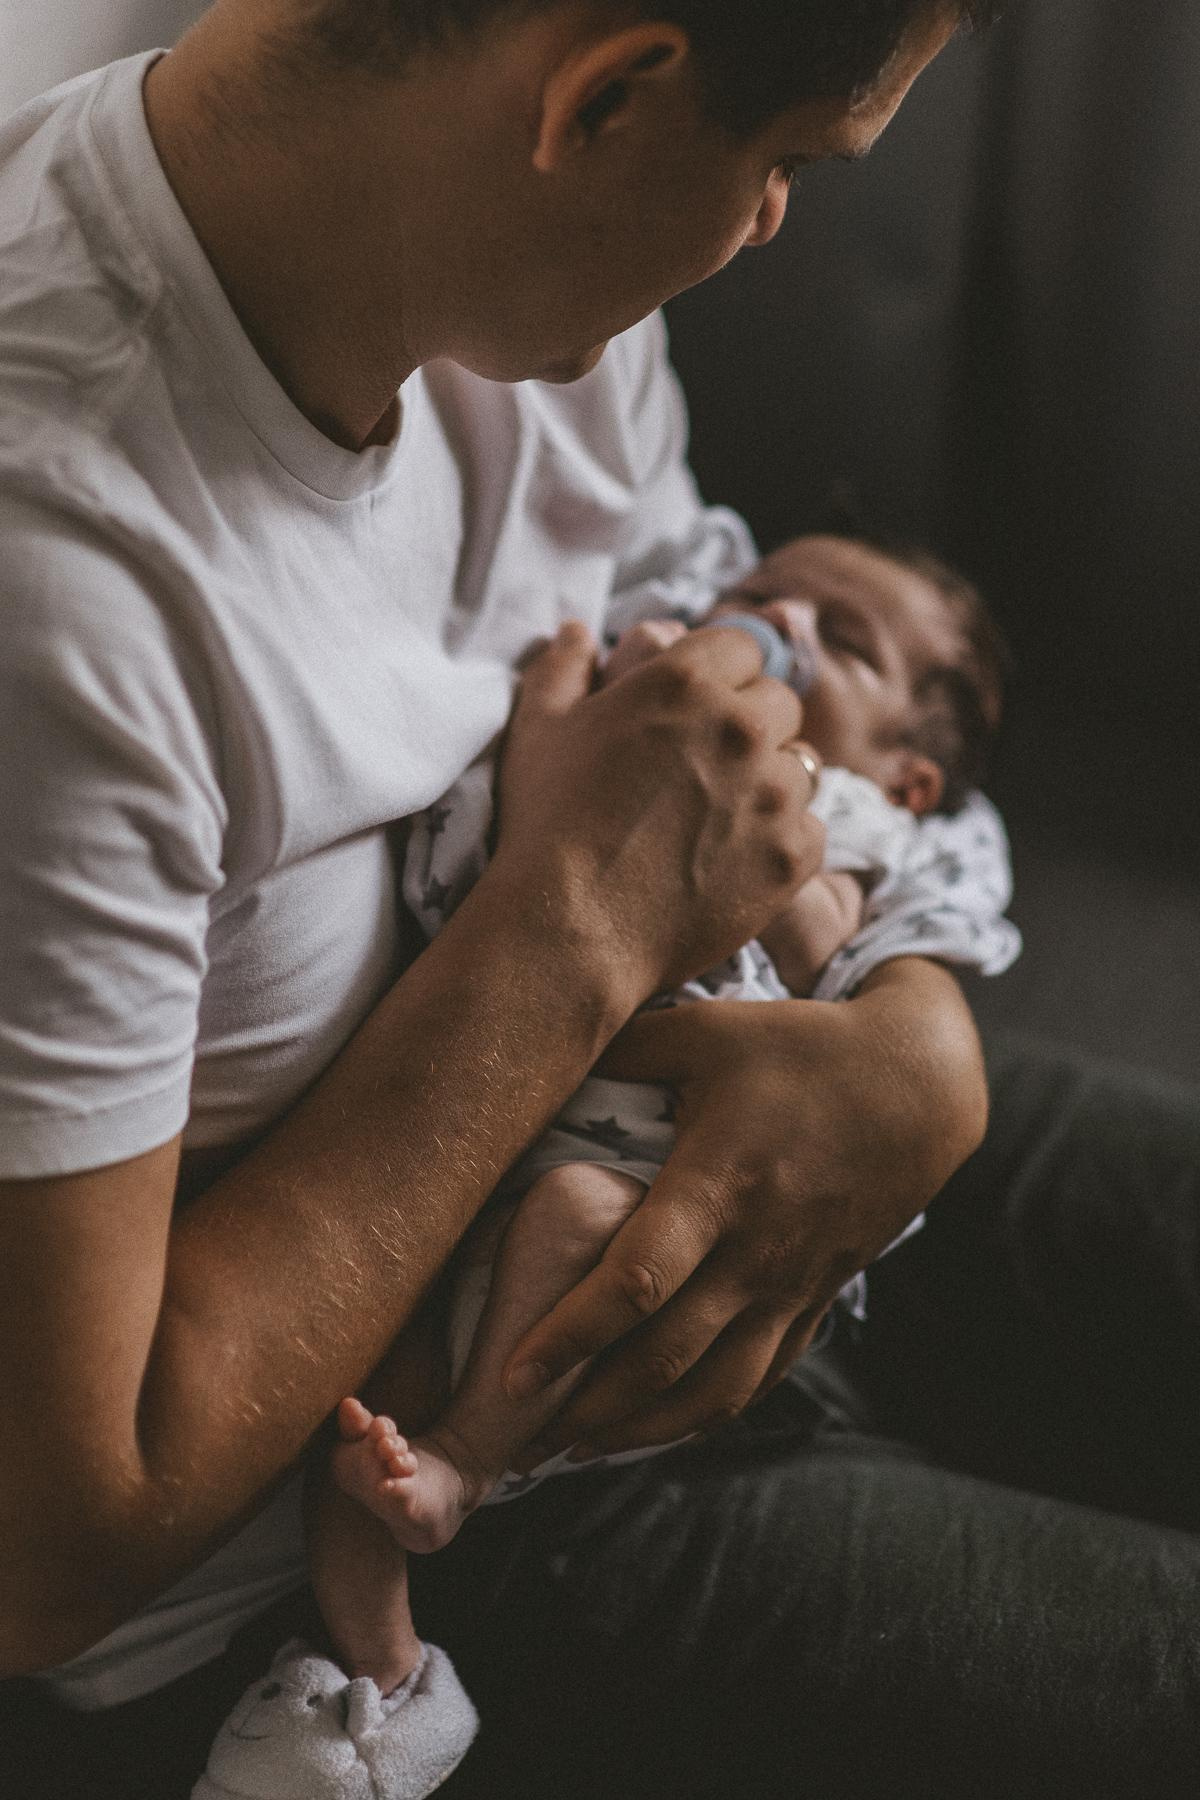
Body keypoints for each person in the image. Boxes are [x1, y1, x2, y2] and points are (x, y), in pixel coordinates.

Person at [6, 1, 1195, 1797]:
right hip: (369, 1518)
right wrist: (568, 925)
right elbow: (48, 1537)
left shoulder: (510, 288)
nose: (777, 221)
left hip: (731, 1115)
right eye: (787, 163)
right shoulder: (61, 590)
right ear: (614, 93)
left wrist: (917, 1046)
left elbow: (728, 684)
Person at [236, 530, 1018, 1766]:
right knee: (359, 1415)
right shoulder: (636, 662)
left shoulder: (857, 821)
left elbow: (816, 939)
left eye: (845, 639)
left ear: (913, 779)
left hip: (659, 1184)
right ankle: (377, 1677)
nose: (785, 624)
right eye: (766, 595)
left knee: (572, 1232)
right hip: (477, 1161)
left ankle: (467, 1459)